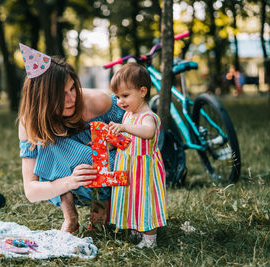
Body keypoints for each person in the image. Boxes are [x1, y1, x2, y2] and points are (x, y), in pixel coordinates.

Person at [17, 43, 125, 233]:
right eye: (61, 94)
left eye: (72, 88)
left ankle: (100, 213)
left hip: (111, 172)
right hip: (72, 179)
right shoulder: (30, 123)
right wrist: (70, 181)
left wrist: (112, 141)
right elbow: (32, 191)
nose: (71, 98)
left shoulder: (96, 102)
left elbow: (135, 126)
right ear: (42, 98)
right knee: (51, 148)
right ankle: (70, 217)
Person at [108, 63, 167, 248]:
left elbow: (148, 132)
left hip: (144, 171)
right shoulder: (128, 115)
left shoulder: (147, 116)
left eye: (125, 95)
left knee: (146, 201)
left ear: (142, 91)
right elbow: (124, 140)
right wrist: (107, 144)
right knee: (131, 199)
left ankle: (150, 238)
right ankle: (135, 227)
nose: (120, 101)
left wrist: (124, 127)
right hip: (127, 166)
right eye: (117, 97)